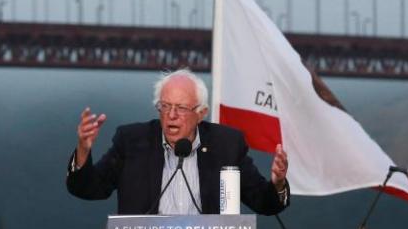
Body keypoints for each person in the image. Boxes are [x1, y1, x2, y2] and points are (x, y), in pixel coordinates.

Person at [66, 68, 289, 215]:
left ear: (201, 113)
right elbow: (89, 189)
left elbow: (264, 203)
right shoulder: (132, 141)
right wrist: (83, 150)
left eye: (181, 108)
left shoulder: (226, 145)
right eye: (165, 106)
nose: (171, 115)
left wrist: (278, 183)